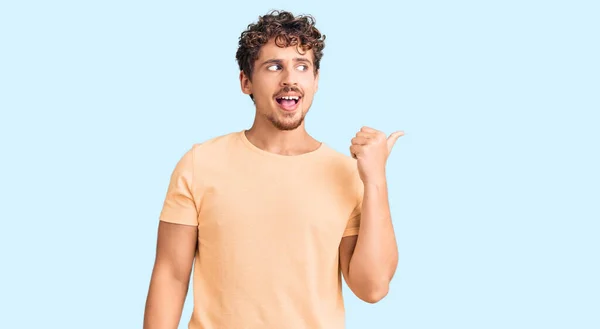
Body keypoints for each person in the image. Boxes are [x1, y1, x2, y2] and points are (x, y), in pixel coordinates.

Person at [143, 9, 403, 329]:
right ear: (246, 81)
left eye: (302, 66)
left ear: (316, 80)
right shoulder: (200, 164)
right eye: (274, 66)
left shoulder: (347, 174)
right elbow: (170, 275)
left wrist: (375, 180)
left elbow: (373, 287)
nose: (289, 79)